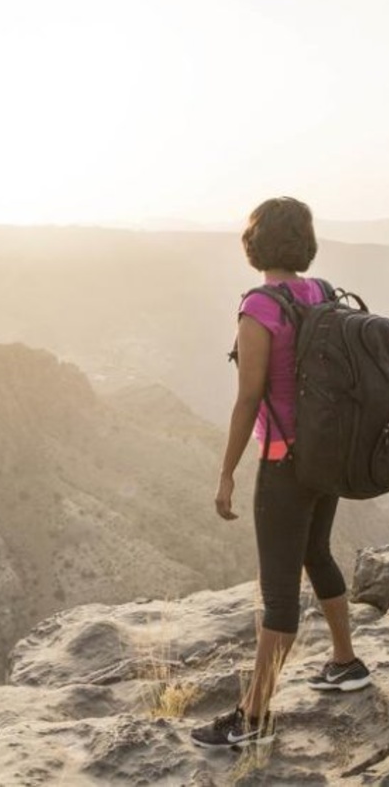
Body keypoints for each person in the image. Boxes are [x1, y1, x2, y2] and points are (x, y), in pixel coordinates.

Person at [191, 197, 371, 750]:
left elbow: (248, 400)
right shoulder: (321, 293)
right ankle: (345, 662)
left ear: (255, 243)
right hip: (326, 457)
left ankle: (253, 717)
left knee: (278, 596)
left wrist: (225, 474)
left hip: (282, 464)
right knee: (317, 553)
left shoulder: (259, 307)